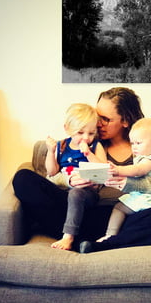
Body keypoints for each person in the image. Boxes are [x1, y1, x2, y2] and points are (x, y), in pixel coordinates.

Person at [12, 87, 151, 251]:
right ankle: (76, 236)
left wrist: (131, 183)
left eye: (105, 119)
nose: (97, 124)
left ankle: (103, 244)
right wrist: (69, 180)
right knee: (23, 178)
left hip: (127, 217)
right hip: (83, 213)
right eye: (97, 116)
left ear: (125, 121)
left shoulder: (145, 144)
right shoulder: (88, 142)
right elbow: (50, 176)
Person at [45, 103, 107, 250]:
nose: (86, 138)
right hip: (63, 192)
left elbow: (103, 171)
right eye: (80, 133)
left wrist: (88, 154)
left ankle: (68, 237)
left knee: (76, 193)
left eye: (91, 133)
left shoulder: (95, 146)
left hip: (87, 194)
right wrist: (50, 151)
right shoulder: (62, 146)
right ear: (67, 129)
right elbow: (51, 172)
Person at [96, 117, 151, 242]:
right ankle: (111, 235)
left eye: (138, 143)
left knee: (119, 208)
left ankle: (111, 235)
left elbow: (139, 170)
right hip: (141, 196)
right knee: (120, 207)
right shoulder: (143, 156)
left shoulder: (150, 159)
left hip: (148, 198)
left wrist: (118, 170)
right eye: (132, 143)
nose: (134, 147)